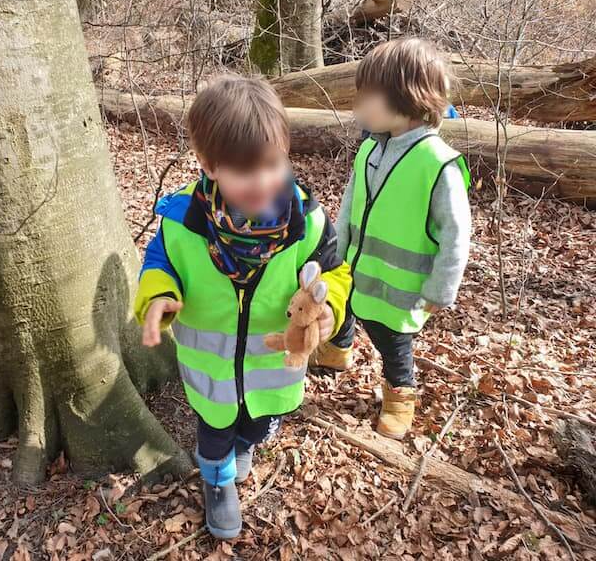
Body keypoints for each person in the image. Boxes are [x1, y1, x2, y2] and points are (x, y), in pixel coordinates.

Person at [134, 75, 351, 540]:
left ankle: (245, 444)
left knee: (258, 422)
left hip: (272, 364)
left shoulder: (305, 222)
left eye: (273, 164)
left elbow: (332, 271)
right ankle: (218, 481)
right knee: (215, 429)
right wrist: (157, 297)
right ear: (210, 166)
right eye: (244, 171)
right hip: (212, 368)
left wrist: (327, 306)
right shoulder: (186, 224)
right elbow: (160, 263)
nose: (263, 182)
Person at [313, 38, 472, 441]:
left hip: (399, 285)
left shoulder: (438, 163)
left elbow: (456, 233)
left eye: (367, 97)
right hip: (354, 265)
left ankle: (400, 398)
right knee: (344, 308)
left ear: (404, 96)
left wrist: (441, 289)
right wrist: (335, 251)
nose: (357, 108)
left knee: (392, 342)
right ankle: (337, 351)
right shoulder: (370, 148)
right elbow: (351, 204)